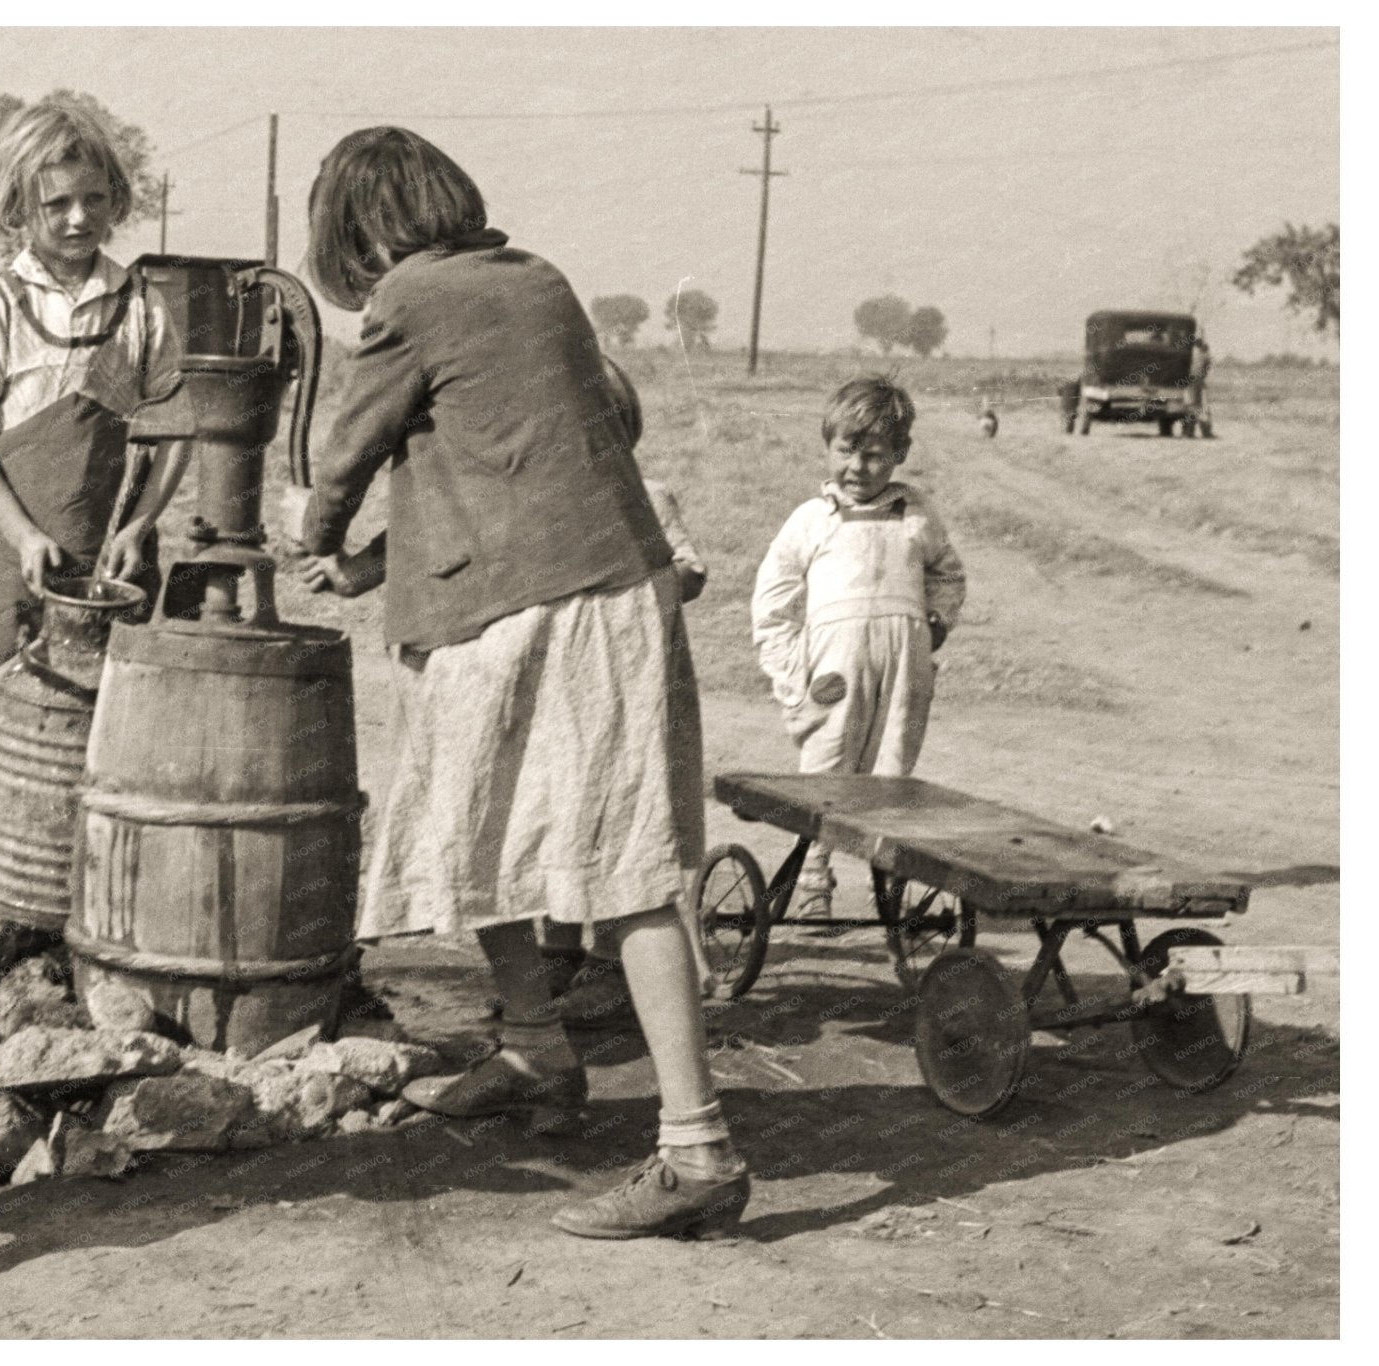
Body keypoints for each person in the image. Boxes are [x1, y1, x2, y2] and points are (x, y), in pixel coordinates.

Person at [296, 126, 750, 1241]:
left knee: (622, 864)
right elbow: (483, 455)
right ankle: (536, 1052)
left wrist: (310, 534)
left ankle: (695, 1147)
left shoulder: (411, 295)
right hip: (590, 586)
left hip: (557, 603)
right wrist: (370, 567)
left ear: (357, 231)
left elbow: (349, 449)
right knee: (487, 828)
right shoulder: (532, 278)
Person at [0, 99, 191, 718]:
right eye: (57, 205)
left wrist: (140, 525)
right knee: (18, 712)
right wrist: (22, 535)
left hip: (112, 555)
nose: (80, 219)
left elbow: (177, 427)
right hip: (19, 552)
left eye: (95, 200)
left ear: (115, 199)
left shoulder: (141, 305)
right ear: (20, 207)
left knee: (113, 715)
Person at [750, 377, 967, 918]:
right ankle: (812, 886)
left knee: (892, 774)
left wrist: (935, 623)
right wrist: (788, 669)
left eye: (875, 456)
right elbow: (772, 601)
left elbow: (948, 573)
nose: (858, 467)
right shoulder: (810, 520)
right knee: (826, 772)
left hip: (904, 667)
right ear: (828, 446)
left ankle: (889, 889)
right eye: (846, 451)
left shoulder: (918, 515)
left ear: (900, 455)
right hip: (833, 670)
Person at [544, 357, 714, 1030]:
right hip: (569, 684)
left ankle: (616, 962)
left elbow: (690, 569)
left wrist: (647, 590)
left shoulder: (650, 493)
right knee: (559, 808)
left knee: (628, 813)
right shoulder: (548, 505)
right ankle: (555, 949)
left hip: (639, 680)